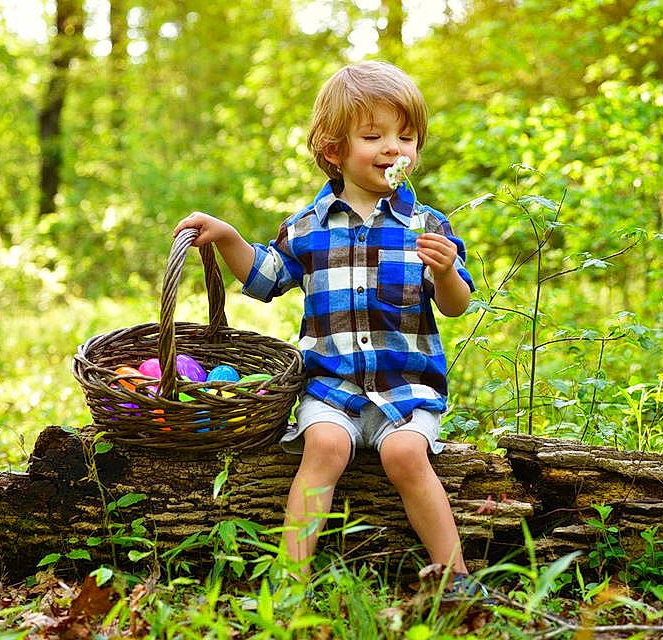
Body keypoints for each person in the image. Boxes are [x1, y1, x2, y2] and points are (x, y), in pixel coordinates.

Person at [173, 60, 481, 592]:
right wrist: (227, 237)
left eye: (406, 137)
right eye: (374, 135)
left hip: (405, 389)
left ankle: (455, 576)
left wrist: (447, 270)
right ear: (335, 151)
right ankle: (292, 579)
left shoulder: (427, 227)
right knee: (324, 449)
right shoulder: (307, 228)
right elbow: (266, 277)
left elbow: (455, 305)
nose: (394, 149)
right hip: (331, 387)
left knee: (405, 453)